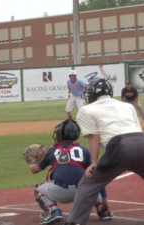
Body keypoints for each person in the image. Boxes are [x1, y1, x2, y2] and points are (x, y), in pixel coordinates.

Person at [62, 78, 144, 225]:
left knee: (88, 183)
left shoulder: (86, 110)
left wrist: (93, 163)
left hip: (119, 147)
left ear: (92, 94)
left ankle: (74, 221)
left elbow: (94, 137)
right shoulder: (127, 106)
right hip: (141, 142)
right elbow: (138, 131)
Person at [29, 119, 112, 225]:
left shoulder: (51, 150)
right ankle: (102, 209)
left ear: (59, 134)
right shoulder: (84, 150)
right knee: (91, 182)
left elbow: (34, 170)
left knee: (38, 188)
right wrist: (105, 199)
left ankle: (54, 211)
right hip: (83, 194)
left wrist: (31, 162)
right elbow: (98, 177)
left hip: (60, 192)